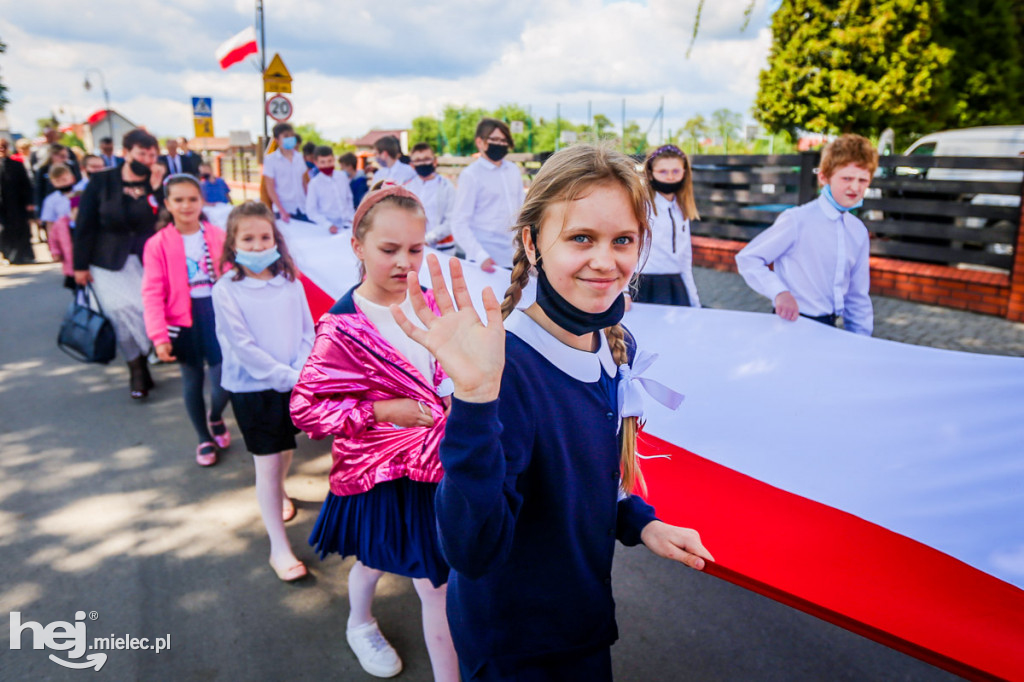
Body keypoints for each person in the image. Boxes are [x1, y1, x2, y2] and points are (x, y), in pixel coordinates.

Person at [389, 144, 713, 680]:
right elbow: (471, 549)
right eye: (581, 238)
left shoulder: (612, 343)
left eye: (623, 240)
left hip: (579, 623)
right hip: (516, 646)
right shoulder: (505, 367)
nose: (606, 261)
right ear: (532, 242)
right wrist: (472, 402)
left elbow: (582, 477)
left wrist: (640, 523)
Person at [290, 185, 458, 681]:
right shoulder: (341, 328)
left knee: (435, 582)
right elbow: (306, 410)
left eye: (415, 249)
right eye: (389, 250)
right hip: (378, 472)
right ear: (358, 247)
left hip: (440, 467)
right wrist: (382, 409)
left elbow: (450, 375)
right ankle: (359, 623)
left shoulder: (432, 305)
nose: (405, 262)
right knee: (377, 561)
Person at [213, 202, 314, 581]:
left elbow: (308, 331)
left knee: (287, 449)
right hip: (254, 390)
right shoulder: (226, 290)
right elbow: (244, 348)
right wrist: (288, 376)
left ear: (276, 239)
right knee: (268, 465)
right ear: (233, 243)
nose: (257, 246)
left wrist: (302, 370)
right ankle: (279, 546)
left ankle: (281, 495)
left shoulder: (291, 282)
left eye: (264, 237)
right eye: (248, 239)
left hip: (293, 383)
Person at [735, 134, 877, 335]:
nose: (855, 187)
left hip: (830, 328)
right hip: (791, 325)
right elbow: (748, 259)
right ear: (824, 177)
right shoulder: (797, 220)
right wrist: (779, 293)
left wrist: (862, 340)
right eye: (847, 178)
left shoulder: (858, 231)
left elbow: (857, 295)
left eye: (863, 180)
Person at [141, 175, 230, 466]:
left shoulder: (218, 235)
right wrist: (159, 336)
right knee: (192, 380)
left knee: (223, 382)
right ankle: (203, 437)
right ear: (167, 204)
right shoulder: (157, 244)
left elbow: (233, 276)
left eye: (192, 198)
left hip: (216, 315)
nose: (186, 205)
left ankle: (215, 416)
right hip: (182, 319)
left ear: (201, 200)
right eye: (178, 200)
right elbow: (152, 292)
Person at [73, 128, 166, 399]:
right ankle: (136, 369)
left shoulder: (157, 180)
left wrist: (158, 189)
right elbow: (85, 224)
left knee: (145, 312)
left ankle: (148, 353)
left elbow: (166, 216)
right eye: (142, 153)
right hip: (107, 259)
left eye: (152, 154)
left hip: (147, 258)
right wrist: (80, 266)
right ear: (126, 153)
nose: (148, 159)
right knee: (120, 312)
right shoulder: (102, 182)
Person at [450, 118, 525, 272]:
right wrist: (480, 255)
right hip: (486, 261)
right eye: (495, 139)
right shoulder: (471, 175)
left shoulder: (513, 170)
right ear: (480, 142)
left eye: (504, 140)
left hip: (515, 256)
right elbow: (459, 222)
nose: (500, 144)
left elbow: (522, 209)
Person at [632, 145, 701, 307]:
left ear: (685, 172)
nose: (670, 177)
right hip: (644, 284)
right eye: (663, 172)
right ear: (650, 173)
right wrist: (624, 292)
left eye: (676, 171)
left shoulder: (681, 208)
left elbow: (685, 260)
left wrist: (694, 301)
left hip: (676, 284)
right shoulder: (642, 206)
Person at [407, 143, 457, 252]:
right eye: (418, 160)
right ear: (412, 165)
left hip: (442, 247)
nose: (423, 163)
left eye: (426, 159)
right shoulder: (407, 187)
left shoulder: (446, 186)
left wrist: (429, 238)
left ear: (434, 162)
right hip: (412, 246)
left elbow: (452, 220)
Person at [0, 137, 36, 265]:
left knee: (21, 229)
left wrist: (30, 203)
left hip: (17, 204)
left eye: (4, 146)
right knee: (3, 231)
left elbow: (26, 185)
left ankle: (23, 255)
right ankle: (8, 255)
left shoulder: (16, 164)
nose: (2, 149)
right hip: (1, 207)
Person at [262, 123, 309, 223]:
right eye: (286, 136)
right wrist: (282, 210)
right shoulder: (270, 160)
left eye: (292, 135)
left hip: (302, 208)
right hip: (283, 211)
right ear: (277, 140)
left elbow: (304, 182)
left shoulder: (299, 157)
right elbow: (270, 188)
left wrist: (310, 204)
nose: (290, 138)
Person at [305, 146, 354, 234]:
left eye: (329, 161)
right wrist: (328, 225)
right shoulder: (314, 184)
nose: (327, 165)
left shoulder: (342, 176)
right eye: (322, 162)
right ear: (316, 163)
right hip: (328, 230)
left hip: (348, 225)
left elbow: (349, 198)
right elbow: (311, 211)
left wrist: (351, 217)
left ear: (334, 159)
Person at [39, 164, 75, 238]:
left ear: (72, 178)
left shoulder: (82, 193)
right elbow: (50, 223)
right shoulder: (51, 200)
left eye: (64, 180)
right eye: (58, 181)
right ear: (52, 183)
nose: (62, 183)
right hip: (64, 234)